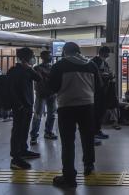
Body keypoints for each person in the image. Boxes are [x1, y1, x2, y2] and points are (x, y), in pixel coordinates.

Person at [49, 42, 101, 188]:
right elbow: (98, 87)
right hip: (87, 106)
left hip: (67, 107)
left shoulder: (59, 66)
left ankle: (69, 177)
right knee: (88, 138)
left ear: (65, 52)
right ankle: (89, 166)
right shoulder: (91, 65)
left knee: (67, 142)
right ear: (78, 51)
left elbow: (52, 87)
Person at [8, 47, 42, 170]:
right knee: (17, 130)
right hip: (19, 106)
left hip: (28, 104)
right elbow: (11, 91)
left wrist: (30, 68)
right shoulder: (14, 71)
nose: (33, 58)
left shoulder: (27, 70)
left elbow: (39, 78)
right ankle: (15, 159)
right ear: (26, 58)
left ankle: (23, 150)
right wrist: (19, 104)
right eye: (32, 56)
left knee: (24, 129)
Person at [30, 51, 58, 145]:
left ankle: (46, 133)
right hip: (45, 94)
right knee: (40, 115)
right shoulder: (51, 68)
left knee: (46, 115)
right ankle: (35, 135)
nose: (50, 57)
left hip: (45, 94)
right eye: (48, 55)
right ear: (43, 57)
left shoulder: (37, 68)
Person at [90, 46, 115, 140]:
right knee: (97, 111)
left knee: (101, 111)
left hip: (103, 89)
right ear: (102, 53)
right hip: (98, 90)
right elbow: (96, 75)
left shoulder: (103, 62)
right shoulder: (96, 61)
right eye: (107, 53)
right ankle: (95, 131)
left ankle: (97, 130)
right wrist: (107, 76)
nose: (108, 55)